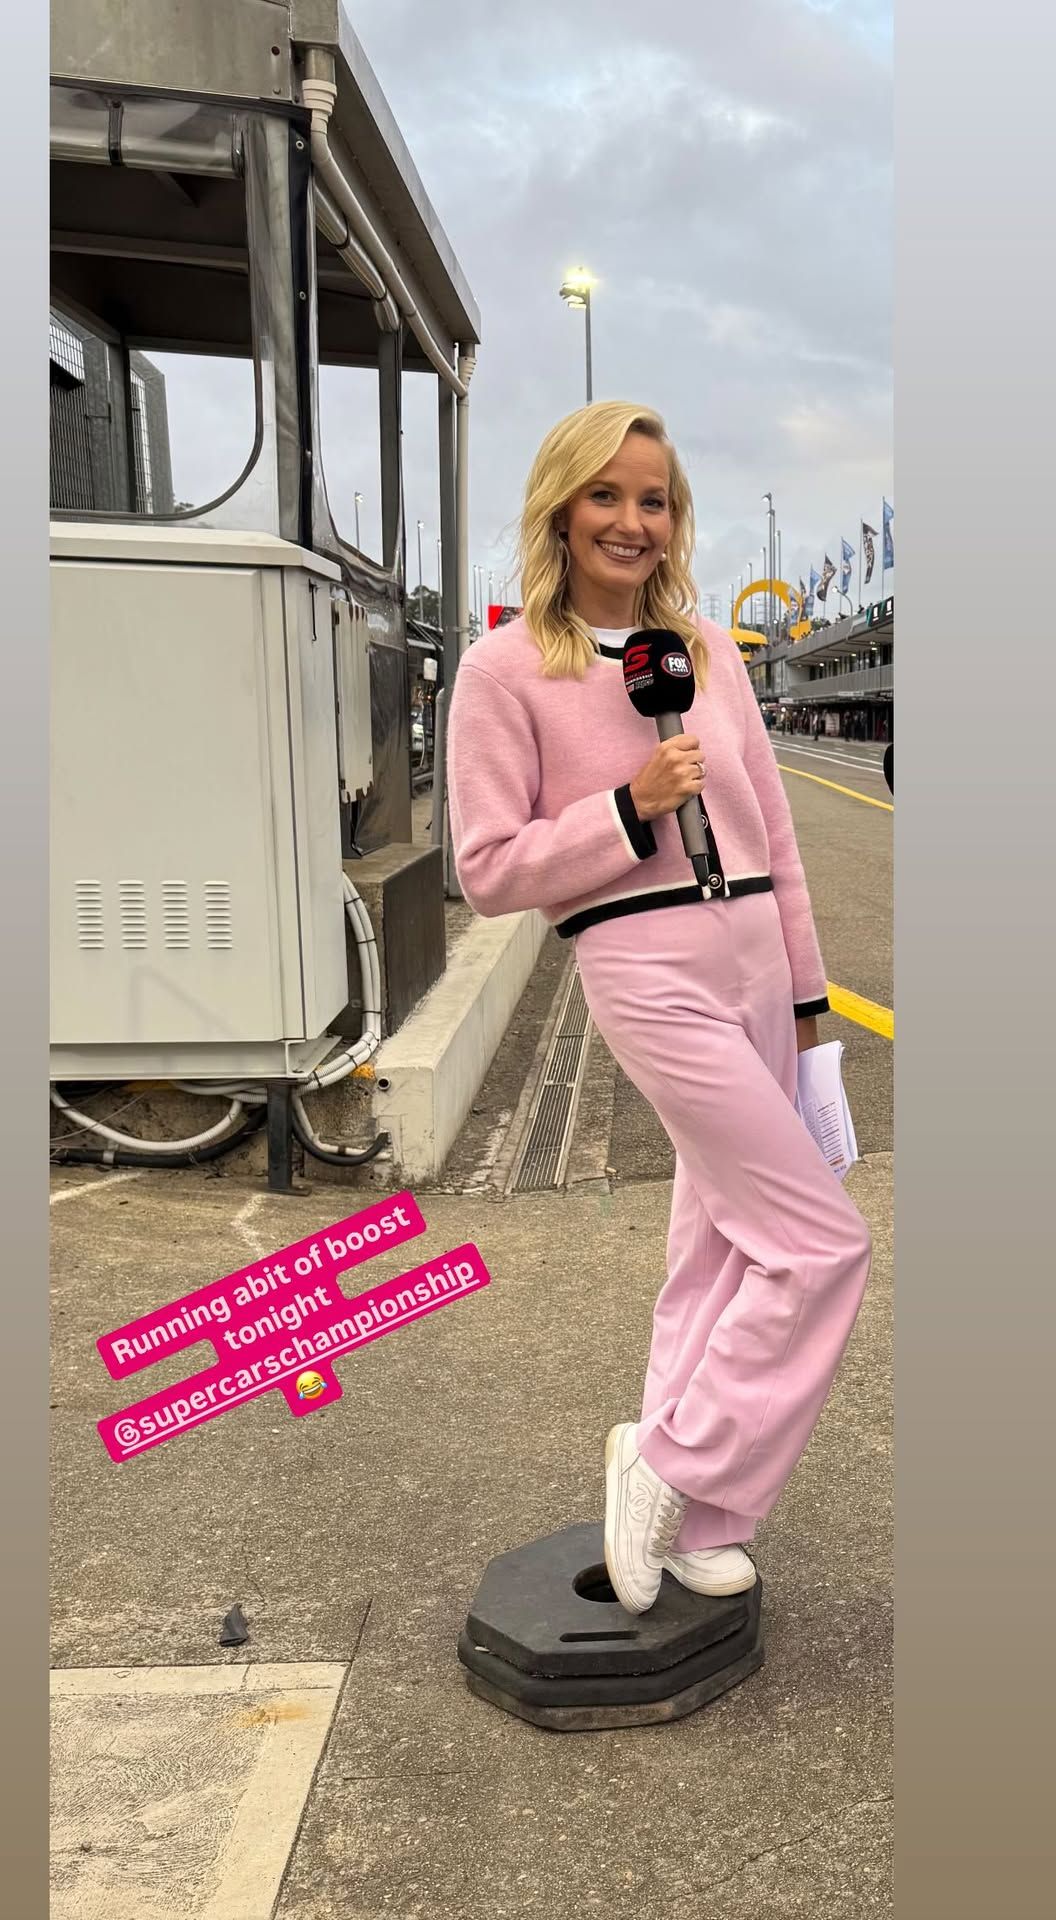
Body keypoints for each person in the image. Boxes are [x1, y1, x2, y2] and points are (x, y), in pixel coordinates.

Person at [446, 402, 871, 1615]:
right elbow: (486, 869)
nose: (633, 521)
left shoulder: (708, 652)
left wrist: (807, 1011)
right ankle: (673, 1460)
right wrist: (626, 811)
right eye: (607, 495)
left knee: (722, 1244)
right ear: (560, 508)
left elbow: (777, 839)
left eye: (655, 499)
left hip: (757, 956)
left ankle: (704, 1521)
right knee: (820, 1243)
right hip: (645, 962)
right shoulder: (505, 668)